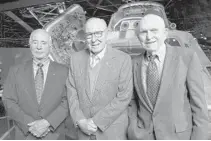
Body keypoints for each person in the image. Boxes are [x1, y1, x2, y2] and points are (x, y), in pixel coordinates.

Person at [127, 10, 209, 140]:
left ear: (165, 33)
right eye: (143, 32)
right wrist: (133, 129)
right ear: (138, 36)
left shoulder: (186, 57)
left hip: (179, 136)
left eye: (154, 30)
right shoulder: (133, 63)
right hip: (143, 136)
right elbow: (131, 101)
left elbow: (199, 106)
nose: (149, 37)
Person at [66, 17, 133, 140]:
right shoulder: (75, 59)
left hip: (111, 132)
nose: (94, 39)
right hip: (83, 132)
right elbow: (71, 92)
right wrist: (80, 120)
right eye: (89, 34)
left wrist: (96, 122)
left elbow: (124, 96)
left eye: (98, 33)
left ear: (107, 33)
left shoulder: (123, 59)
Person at [3, 29, 68, 140]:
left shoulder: (64, 71)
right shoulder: (15, 71)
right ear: (29, 44)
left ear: (50, 46)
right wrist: (30, 124)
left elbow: (68, 100)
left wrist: (48, 122)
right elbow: (8, 100)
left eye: (43, 43)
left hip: (54, 135)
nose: (39, 47)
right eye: (35, 42)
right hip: (25, 135)